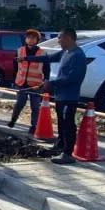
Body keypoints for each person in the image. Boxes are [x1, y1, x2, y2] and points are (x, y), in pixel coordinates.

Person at [19, 27, 86, 165]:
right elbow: (47, 58)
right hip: (61, 96)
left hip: (70, 97)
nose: (58, 41)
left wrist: (52, 83)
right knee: (61, 124)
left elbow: (73, 78)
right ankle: (60, 146)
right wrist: (25, 58)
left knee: (68, 125)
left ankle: (68, 154)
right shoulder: (65, 52)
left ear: (69, 38)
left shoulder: (77, 55)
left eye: (60, 38)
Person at [9, 29, 50, 135]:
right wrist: (13, 80)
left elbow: (47, 68)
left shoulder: (42, 53)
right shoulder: (19, 51)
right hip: (22, 83)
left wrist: (46, 80)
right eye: (28, 37)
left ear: (37, 40)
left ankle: (33, 126)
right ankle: (13, 120)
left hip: (36, 85)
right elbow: (15, 67)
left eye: (33, 38)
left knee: (35, 106)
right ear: (26, 39)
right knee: (19, 104)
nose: (30, 39)